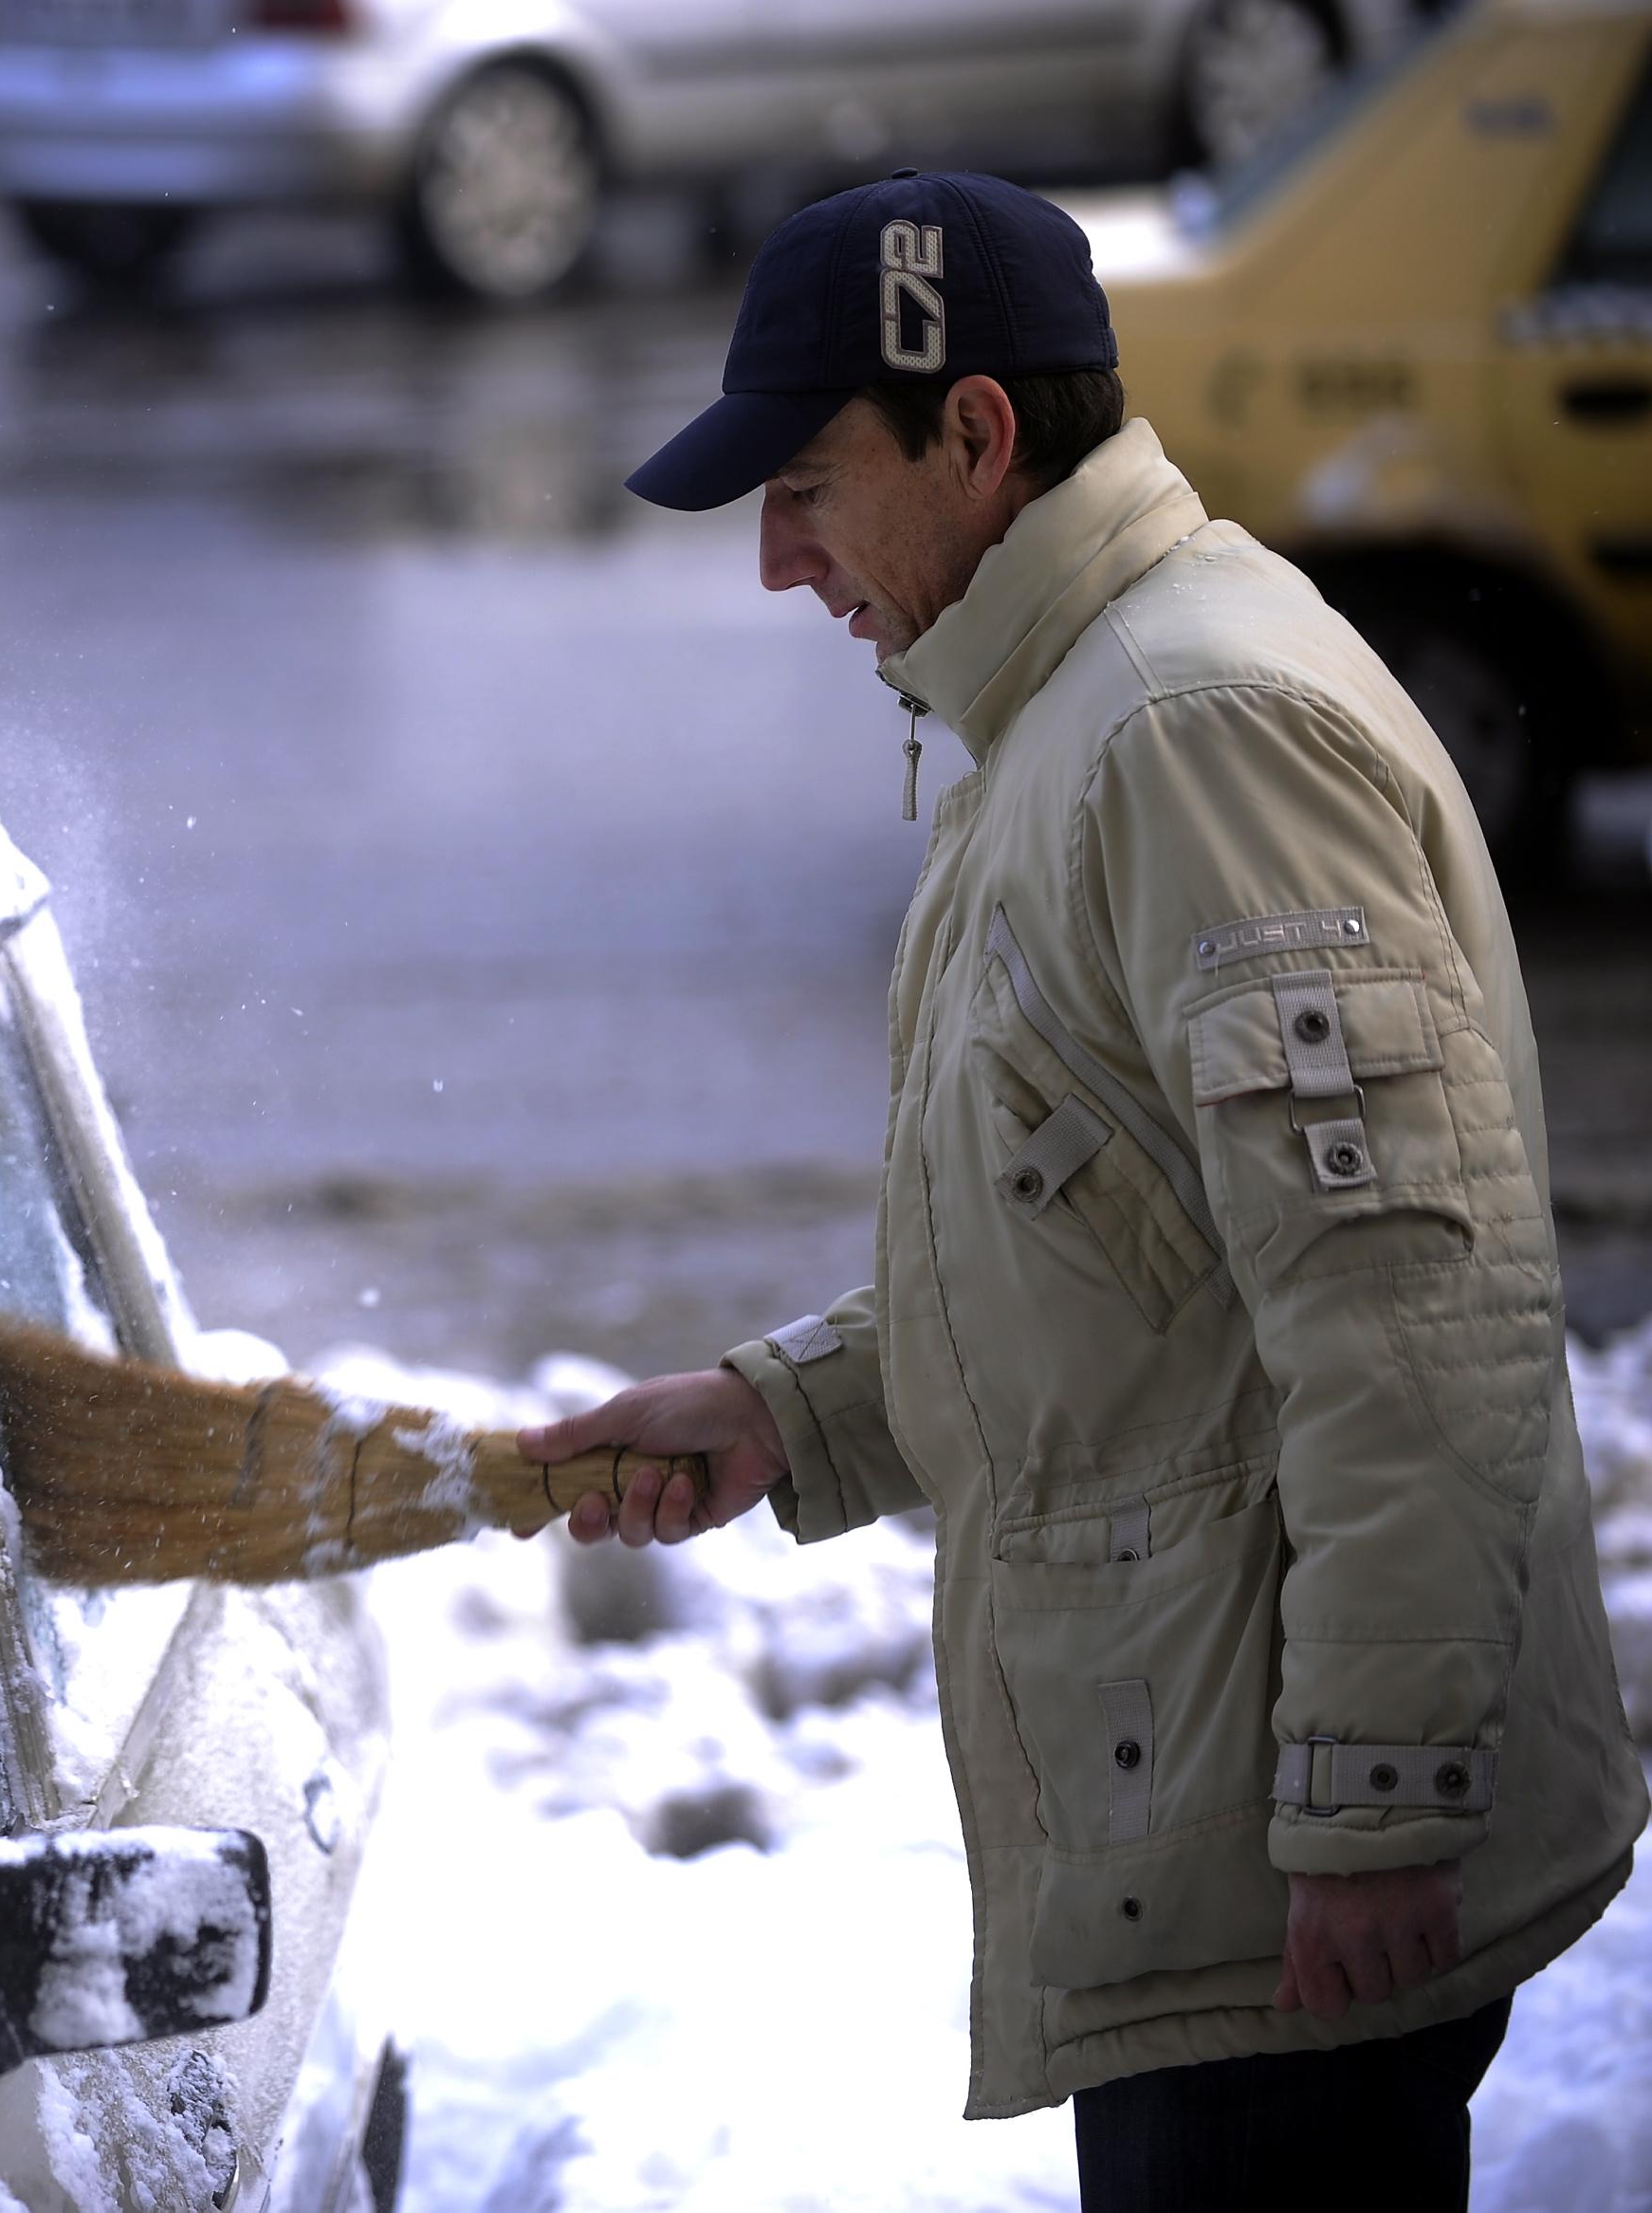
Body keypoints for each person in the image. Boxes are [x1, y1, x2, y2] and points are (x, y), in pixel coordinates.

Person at [523, 171, 1646, 2211]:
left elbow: (1415, 1302)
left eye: (803, 485)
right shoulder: (1071, 705)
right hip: (1206, 1812)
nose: (780, 562)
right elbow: (1128, 1236)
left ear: (975, 435)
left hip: (1275, 1868)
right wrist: (794, 1407)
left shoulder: (1187, 731)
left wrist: (1375, 1797)